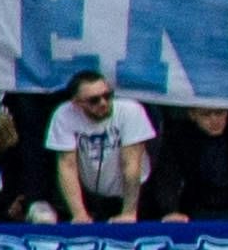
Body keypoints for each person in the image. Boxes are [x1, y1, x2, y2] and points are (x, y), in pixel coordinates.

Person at [43, 71, 156, 221]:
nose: (103, 103)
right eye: (93, 100)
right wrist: (79, 213)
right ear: (77, 103)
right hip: (91, 193)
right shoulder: (64, 115)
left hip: (135, 193)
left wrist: (129, 213)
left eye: (107, 96)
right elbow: (67, 166)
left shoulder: (130, 111)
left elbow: (131, 165)